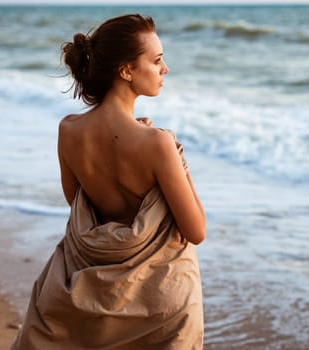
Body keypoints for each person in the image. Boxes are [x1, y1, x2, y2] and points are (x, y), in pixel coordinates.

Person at [11, 14, 205, 350]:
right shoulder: (157, 143)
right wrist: (176, 155)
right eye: (157, 60)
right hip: (158, 300)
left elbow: (79, 205)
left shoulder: (69, 131)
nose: (165, 69)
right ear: (127, 70)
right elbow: (196, 231)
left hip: (91, 293)